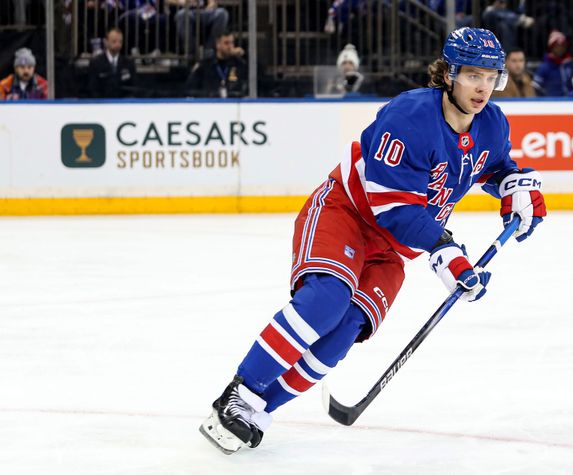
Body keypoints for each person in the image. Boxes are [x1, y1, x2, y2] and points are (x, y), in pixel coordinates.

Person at [199, 27, 547, 454]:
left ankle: (259, 411)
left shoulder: (492, 123)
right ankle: (238, 395)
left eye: (491, 76)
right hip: (347, 215)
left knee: (345, 328)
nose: (483, 87)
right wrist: (446, 251)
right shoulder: (410, 117)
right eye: (472, 74)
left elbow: (492, 168)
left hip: (394, 249)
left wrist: (515, 188)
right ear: (450, 73)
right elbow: (394, 208)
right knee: (327, 301)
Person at [185, 31, 246, 98]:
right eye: (226, 43)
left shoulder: (238, 63)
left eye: (232, 43)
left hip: (233, 104)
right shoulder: (205, 64)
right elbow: (190, 88)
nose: (230, 46)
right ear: (218, 45)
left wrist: (244, 56)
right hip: (210, 104)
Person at [87, 28, 137, 98]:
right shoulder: (96, 63)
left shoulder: (129, 63)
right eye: (114, 41)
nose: (118, 45)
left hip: (123, 105)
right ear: (106, 42)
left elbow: (133, 88)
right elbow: (93, 88)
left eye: (120, 42)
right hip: (102, 104)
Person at [533, 30, 573, 96]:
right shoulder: (544, 67)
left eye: (563, 46)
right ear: (552, 47)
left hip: (571, 101)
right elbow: (536, 88)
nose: (560, 49)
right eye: (557, 46)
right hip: (552, 102)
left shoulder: (570, 65)